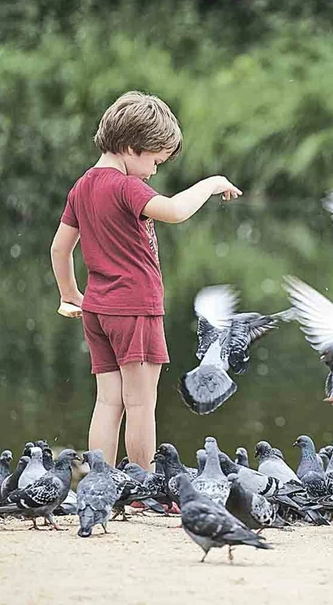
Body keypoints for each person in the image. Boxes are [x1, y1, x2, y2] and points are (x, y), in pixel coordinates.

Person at [50, 90, 241, 470]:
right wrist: (212, 183)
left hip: (97, 310)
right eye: (155, 160)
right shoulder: (126, 187)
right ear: (131, 146)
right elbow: (172, 211)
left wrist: (71, 294)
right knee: (140, 403)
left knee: (108, 401)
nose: (155, 171)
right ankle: (143, 486)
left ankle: (99, 481)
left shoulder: (82, 186)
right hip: (135, 307)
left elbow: (60, 248)